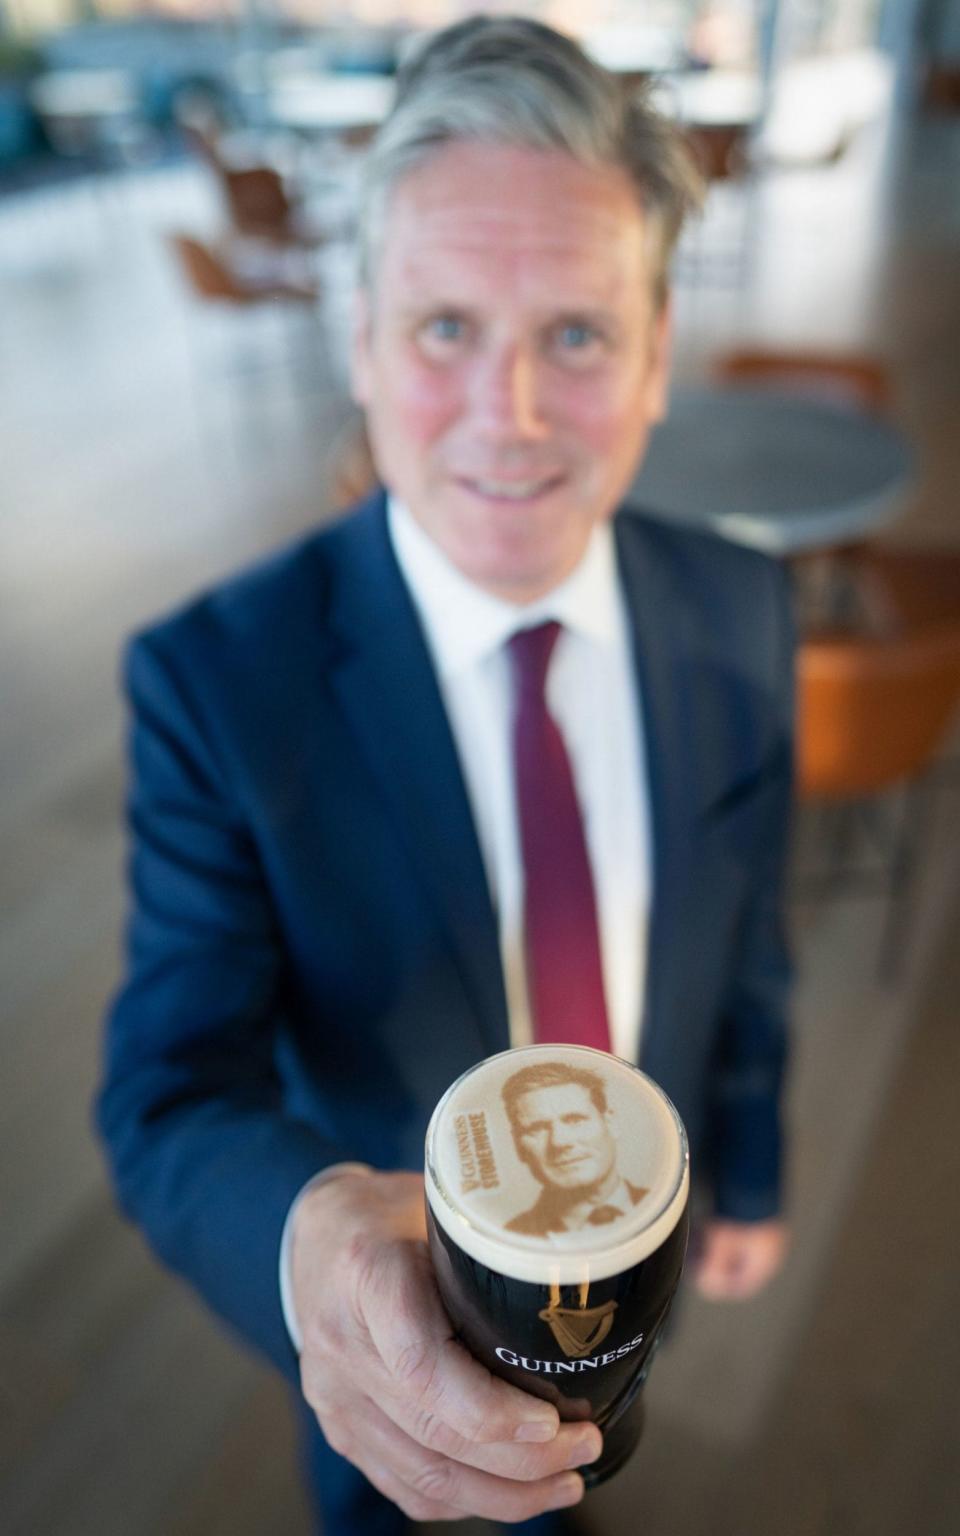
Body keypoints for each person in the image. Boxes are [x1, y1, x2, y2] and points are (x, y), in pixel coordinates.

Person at [97, 16, 794, 1535]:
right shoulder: (217, 685)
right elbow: (168, 1091)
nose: (512, 415)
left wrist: (751, 1163)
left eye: (579, 333)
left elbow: (753, 945)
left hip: (645, 1257)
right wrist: (306, 1255)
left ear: (660, 353)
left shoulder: (746, 614)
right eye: (443, 328)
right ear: (359, 340)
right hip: (404, 1371)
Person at [501, 1060, 648, 1236]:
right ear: (518, 1145)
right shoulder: (510, 1236)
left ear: (610, 1123)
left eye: (575, 1120)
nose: (559, 1142)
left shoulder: (662, 1203)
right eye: (537, 1128)